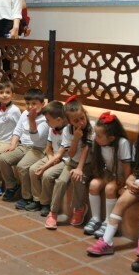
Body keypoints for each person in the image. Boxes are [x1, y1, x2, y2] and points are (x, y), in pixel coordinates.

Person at [87, 109, 139, 257]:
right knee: (121, 202)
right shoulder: (138, 146)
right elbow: (135, 172)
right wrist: (130, 181)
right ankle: (107, 241)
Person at [45, 96, 95, 230]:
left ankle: (79, 208)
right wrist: (76, 139)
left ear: (85, 113)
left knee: (77, 178)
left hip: (87, 164)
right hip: (72, 162)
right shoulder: (68, 130)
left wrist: (79, 168)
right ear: (69, 121)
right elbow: (71, 154)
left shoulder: (91, 127)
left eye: (82, 118)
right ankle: (53, 212)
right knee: (61, 182)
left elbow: (86, 149)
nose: (81, 122)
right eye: (76, 121)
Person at [84, 112, 133, 238]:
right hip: (110, 173)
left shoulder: (122, 143)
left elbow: (127, 167)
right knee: (94, 185)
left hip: (121, 175)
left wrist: (126, 185)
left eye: (99, 136)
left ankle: (108, 221)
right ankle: (95, 218)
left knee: (110, 189)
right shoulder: (99, 142)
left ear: (111, 138)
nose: (95, 138)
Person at [0, 88, 49, 203]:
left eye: (34, 104)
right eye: (27, 103)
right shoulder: (25, 113)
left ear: (43, 104)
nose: (30, 107)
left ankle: (27, 196)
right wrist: (13, 144)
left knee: (22, 166)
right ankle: (12, 186)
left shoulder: (45, 118)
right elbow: (18, 129)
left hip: (37, 149)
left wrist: (32, 121)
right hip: (23, 146)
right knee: (3, 158)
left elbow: (35, 138)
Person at [21, 101, 68, 214]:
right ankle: (37, 200)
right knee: (33, 169)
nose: (46, 122)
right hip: (53, 157)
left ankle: (45, 203)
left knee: (47, 174)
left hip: (64, 159)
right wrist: (50, 158)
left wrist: (47, 165)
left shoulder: (67, 131)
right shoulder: (52, 128)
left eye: (47, 120)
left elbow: (61, 154)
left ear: (58, 120)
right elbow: (48, 147)